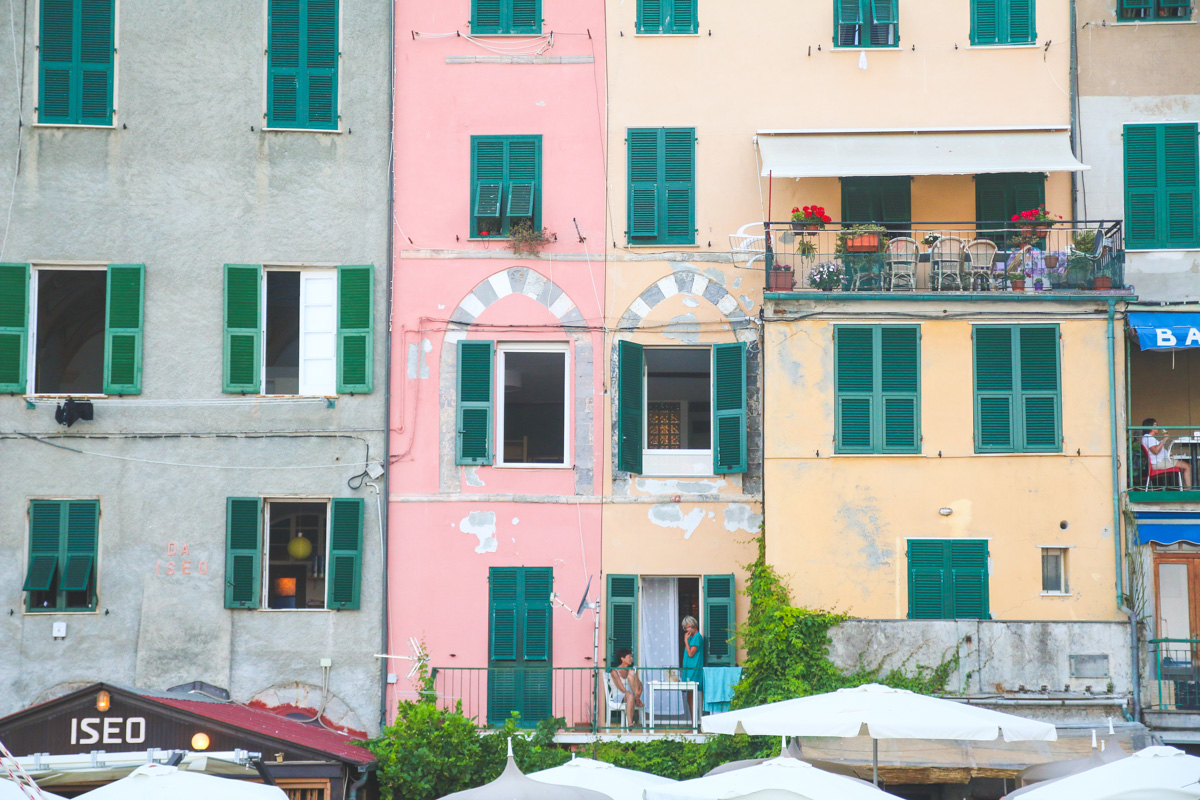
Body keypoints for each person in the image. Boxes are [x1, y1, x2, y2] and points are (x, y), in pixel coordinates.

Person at [1143, 418, 1191, 487]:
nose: (1157, 427)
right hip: (1159, 462)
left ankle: (1184, 489)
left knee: (1185, 466)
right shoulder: (1148, 437)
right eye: (1155, 425)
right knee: (1187, 466)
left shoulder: (1148, 438)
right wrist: (1164, 439)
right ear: (1149, 426)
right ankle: (1189, 490)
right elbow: (1156, 451)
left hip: (1159, 461)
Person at [610, 648, 643, 724]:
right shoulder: (614, 671)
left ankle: (636, 699)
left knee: (631, 674)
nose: (631, 659)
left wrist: (637, 696)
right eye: (629, 657)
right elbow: (621, 688)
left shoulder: (630, 671)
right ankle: (630, 723)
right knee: (630, 696)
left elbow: (640, 685)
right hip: (618, 696)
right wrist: (634, 697)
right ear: (622, 658)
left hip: (631, 695)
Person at [681, 615, 704, 722]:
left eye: (689, 627)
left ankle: (695, 723)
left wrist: (685, 640)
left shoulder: (697, 637)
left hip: (694, 670)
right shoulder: (691, 637)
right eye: (686, 628)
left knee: (693, 695)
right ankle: (693, 723)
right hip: (688, 670)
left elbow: (691, 654)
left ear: (694, 625)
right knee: (689, 696)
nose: (687, 630)